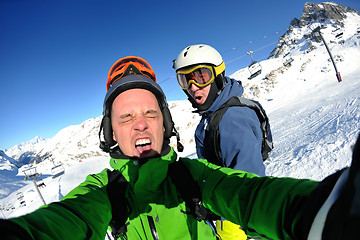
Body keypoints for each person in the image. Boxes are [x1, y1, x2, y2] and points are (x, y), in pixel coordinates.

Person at [0, 57, 359, 240]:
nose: (140, 124)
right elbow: (69, 220)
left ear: (165, 124)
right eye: (125, 117)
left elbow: (249, 194)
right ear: (111, 132)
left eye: (150, 113)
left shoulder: (194, 176)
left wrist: (329, 210)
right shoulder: (103, 193)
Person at [173, 44, 270, 239]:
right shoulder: (214, 113)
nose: (193, 87)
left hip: (237, 222)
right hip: (224, 208)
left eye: (201, 76)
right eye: (185, 79)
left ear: (218, 75)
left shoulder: (232, 118)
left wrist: (230, 227)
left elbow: (247, 183)